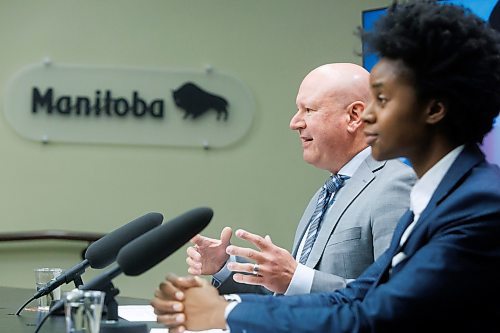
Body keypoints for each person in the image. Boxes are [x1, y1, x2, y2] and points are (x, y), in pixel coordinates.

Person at [151, 1, 500, 332]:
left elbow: (376, 319)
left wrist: (223, 312)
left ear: (434, 110)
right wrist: (223, 307)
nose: (368, 116)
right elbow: (351, 298)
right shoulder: (437, 200)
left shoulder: (479, 204)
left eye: (381, 99)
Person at [186, 63, 416, 295]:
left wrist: (295, 277)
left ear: (354, 116)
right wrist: (226, 267)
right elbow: (293, 300)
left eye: (308, 110)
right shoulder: (327, 193)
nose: (295, 123)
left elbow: (396, 297)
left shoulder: (394, 186)